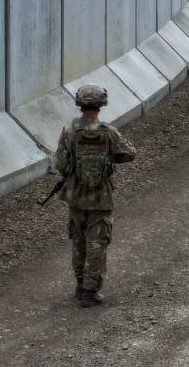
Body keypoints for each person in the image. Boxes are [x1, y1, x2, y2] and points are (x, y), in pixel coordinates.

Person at [53, 85, 137, 308]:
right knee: (97, 244)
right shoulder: (108, 132)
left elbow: (60, 164)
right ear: (101, 106)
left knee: (78, 243)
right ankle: (91, 291)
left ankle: (80, 286)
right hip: (101, 199)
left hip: (76, 199)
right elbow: (129, 154)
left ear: (80, 104)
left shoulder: (69, 132)